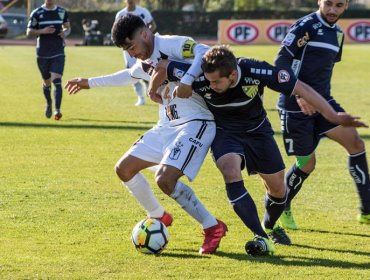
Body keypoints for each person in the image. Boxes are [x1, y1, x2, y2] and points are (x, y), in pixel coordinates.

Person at [151, 45, 367, 256]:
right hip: (225, 132)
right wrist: (154, 90)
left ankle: (270, 225)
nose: (212, 85)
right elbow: (161, 65)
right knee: (230, 169)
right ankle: (260, 235)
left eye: (217, 81)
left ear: (233, 74)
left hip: (258, 131)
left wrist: (333, 116)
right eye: (209, 80)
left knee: (278, 189)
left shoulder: (255, 70)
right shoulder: (198, 76)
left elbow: (302, 88)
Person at [64, 14, 227, 255]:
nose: (131, 53)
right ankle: (158, 215)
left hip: (195, 123)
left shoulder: (171, 44)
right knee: (124, 168)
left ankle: (212, 227)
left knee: (165, 180)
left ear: (144, 34)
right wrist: (89, 82)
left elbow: (205, 50)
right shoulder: (145, 61)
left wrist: (188, 78)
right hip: (166, 126)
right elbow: (128, 75)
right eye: (125, 50)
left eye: (131, 47)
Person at [274, 0, 370, 228]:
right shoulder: (304, 26)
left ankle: (367, 210)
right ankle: (281, 206)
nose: (332, 10)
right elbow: (281, 63)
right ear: (319, 1)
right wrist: (300, 95)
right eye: (328, 4)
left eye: (339, 5)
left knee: (356, 143)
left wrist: (321, 101)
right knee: (307, 163)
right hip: (296, 104)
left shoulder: (337, 34)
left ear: (346, 6)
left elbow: (322, 69)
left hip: (324, 102)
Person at [26, 0, 70, 120]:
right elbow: (29, 31)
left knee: (57, 80)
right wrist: (42, 31)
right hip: (42, 53)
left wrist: (64, 33)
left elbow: (67, 28)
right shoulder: (37, 13)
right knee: (46, 82)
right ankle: (49, 103)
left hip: (58, 51)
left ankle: (57, 110)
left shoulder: (61, 12)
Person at [115, 0, 157, 106]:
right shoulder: (120, 14)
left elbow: (152, 25)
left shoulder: (143, 11)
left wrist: (145, 37)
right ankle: (140, 97)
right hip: (129, 51)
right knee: (132, 74)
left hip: (143, 48)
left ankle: (150, 90)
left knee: (147, 70)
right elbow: (116, 33)